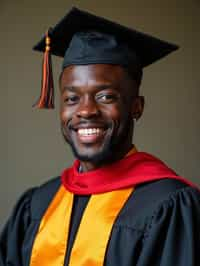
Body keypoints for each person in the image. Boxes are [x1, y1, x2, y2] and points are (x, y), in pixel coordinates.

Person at [1, 7, 200, 266]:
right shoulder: (38, 204)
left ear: (136, 106)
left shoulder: (168, 206)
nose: (85, 110)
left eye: (106, 97)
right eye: (72, 98)